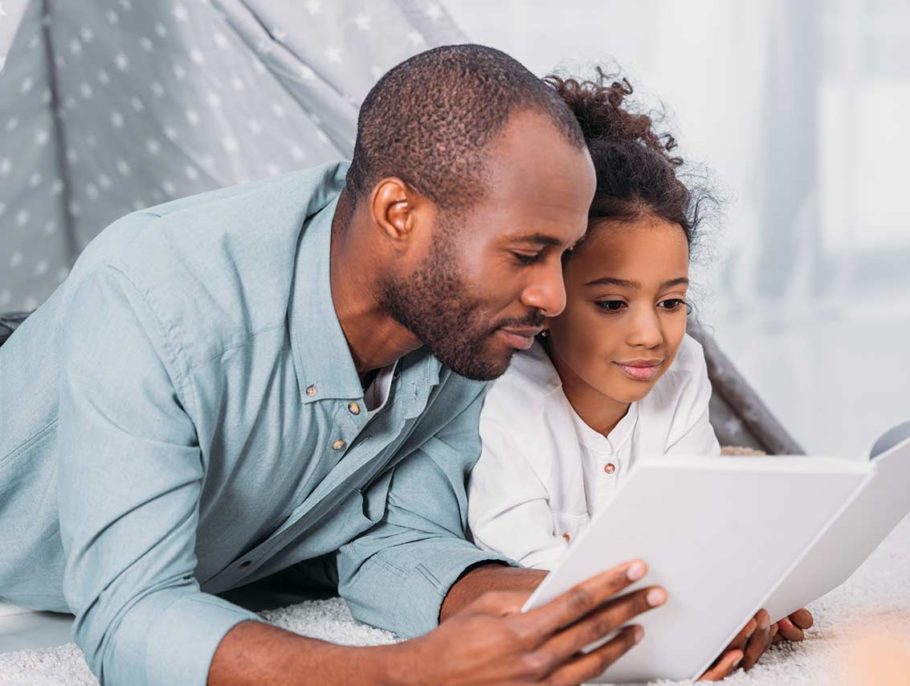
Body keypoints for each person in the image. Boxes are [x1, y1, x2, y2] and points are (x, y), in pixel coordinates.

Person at [0, 45, 666, 686]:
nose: (553, 297)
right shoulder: (153, 295)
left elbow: (394, 540)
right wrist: (404, 673)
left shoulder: (464, 326)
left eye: (564, 258)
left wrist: (576, 605)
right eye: (526, 254)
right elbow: (128, 617)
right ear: (398, 213)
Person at [468, 72, 814, 670]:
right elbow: (532, 575)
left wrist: (740, 592)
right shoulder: (507, 398)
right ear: (548, 298)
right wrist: (675, 616)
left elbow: (699, 521)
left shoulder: (684, 373)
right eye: (611, 304)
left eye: (672, 302)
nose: (651, 335)